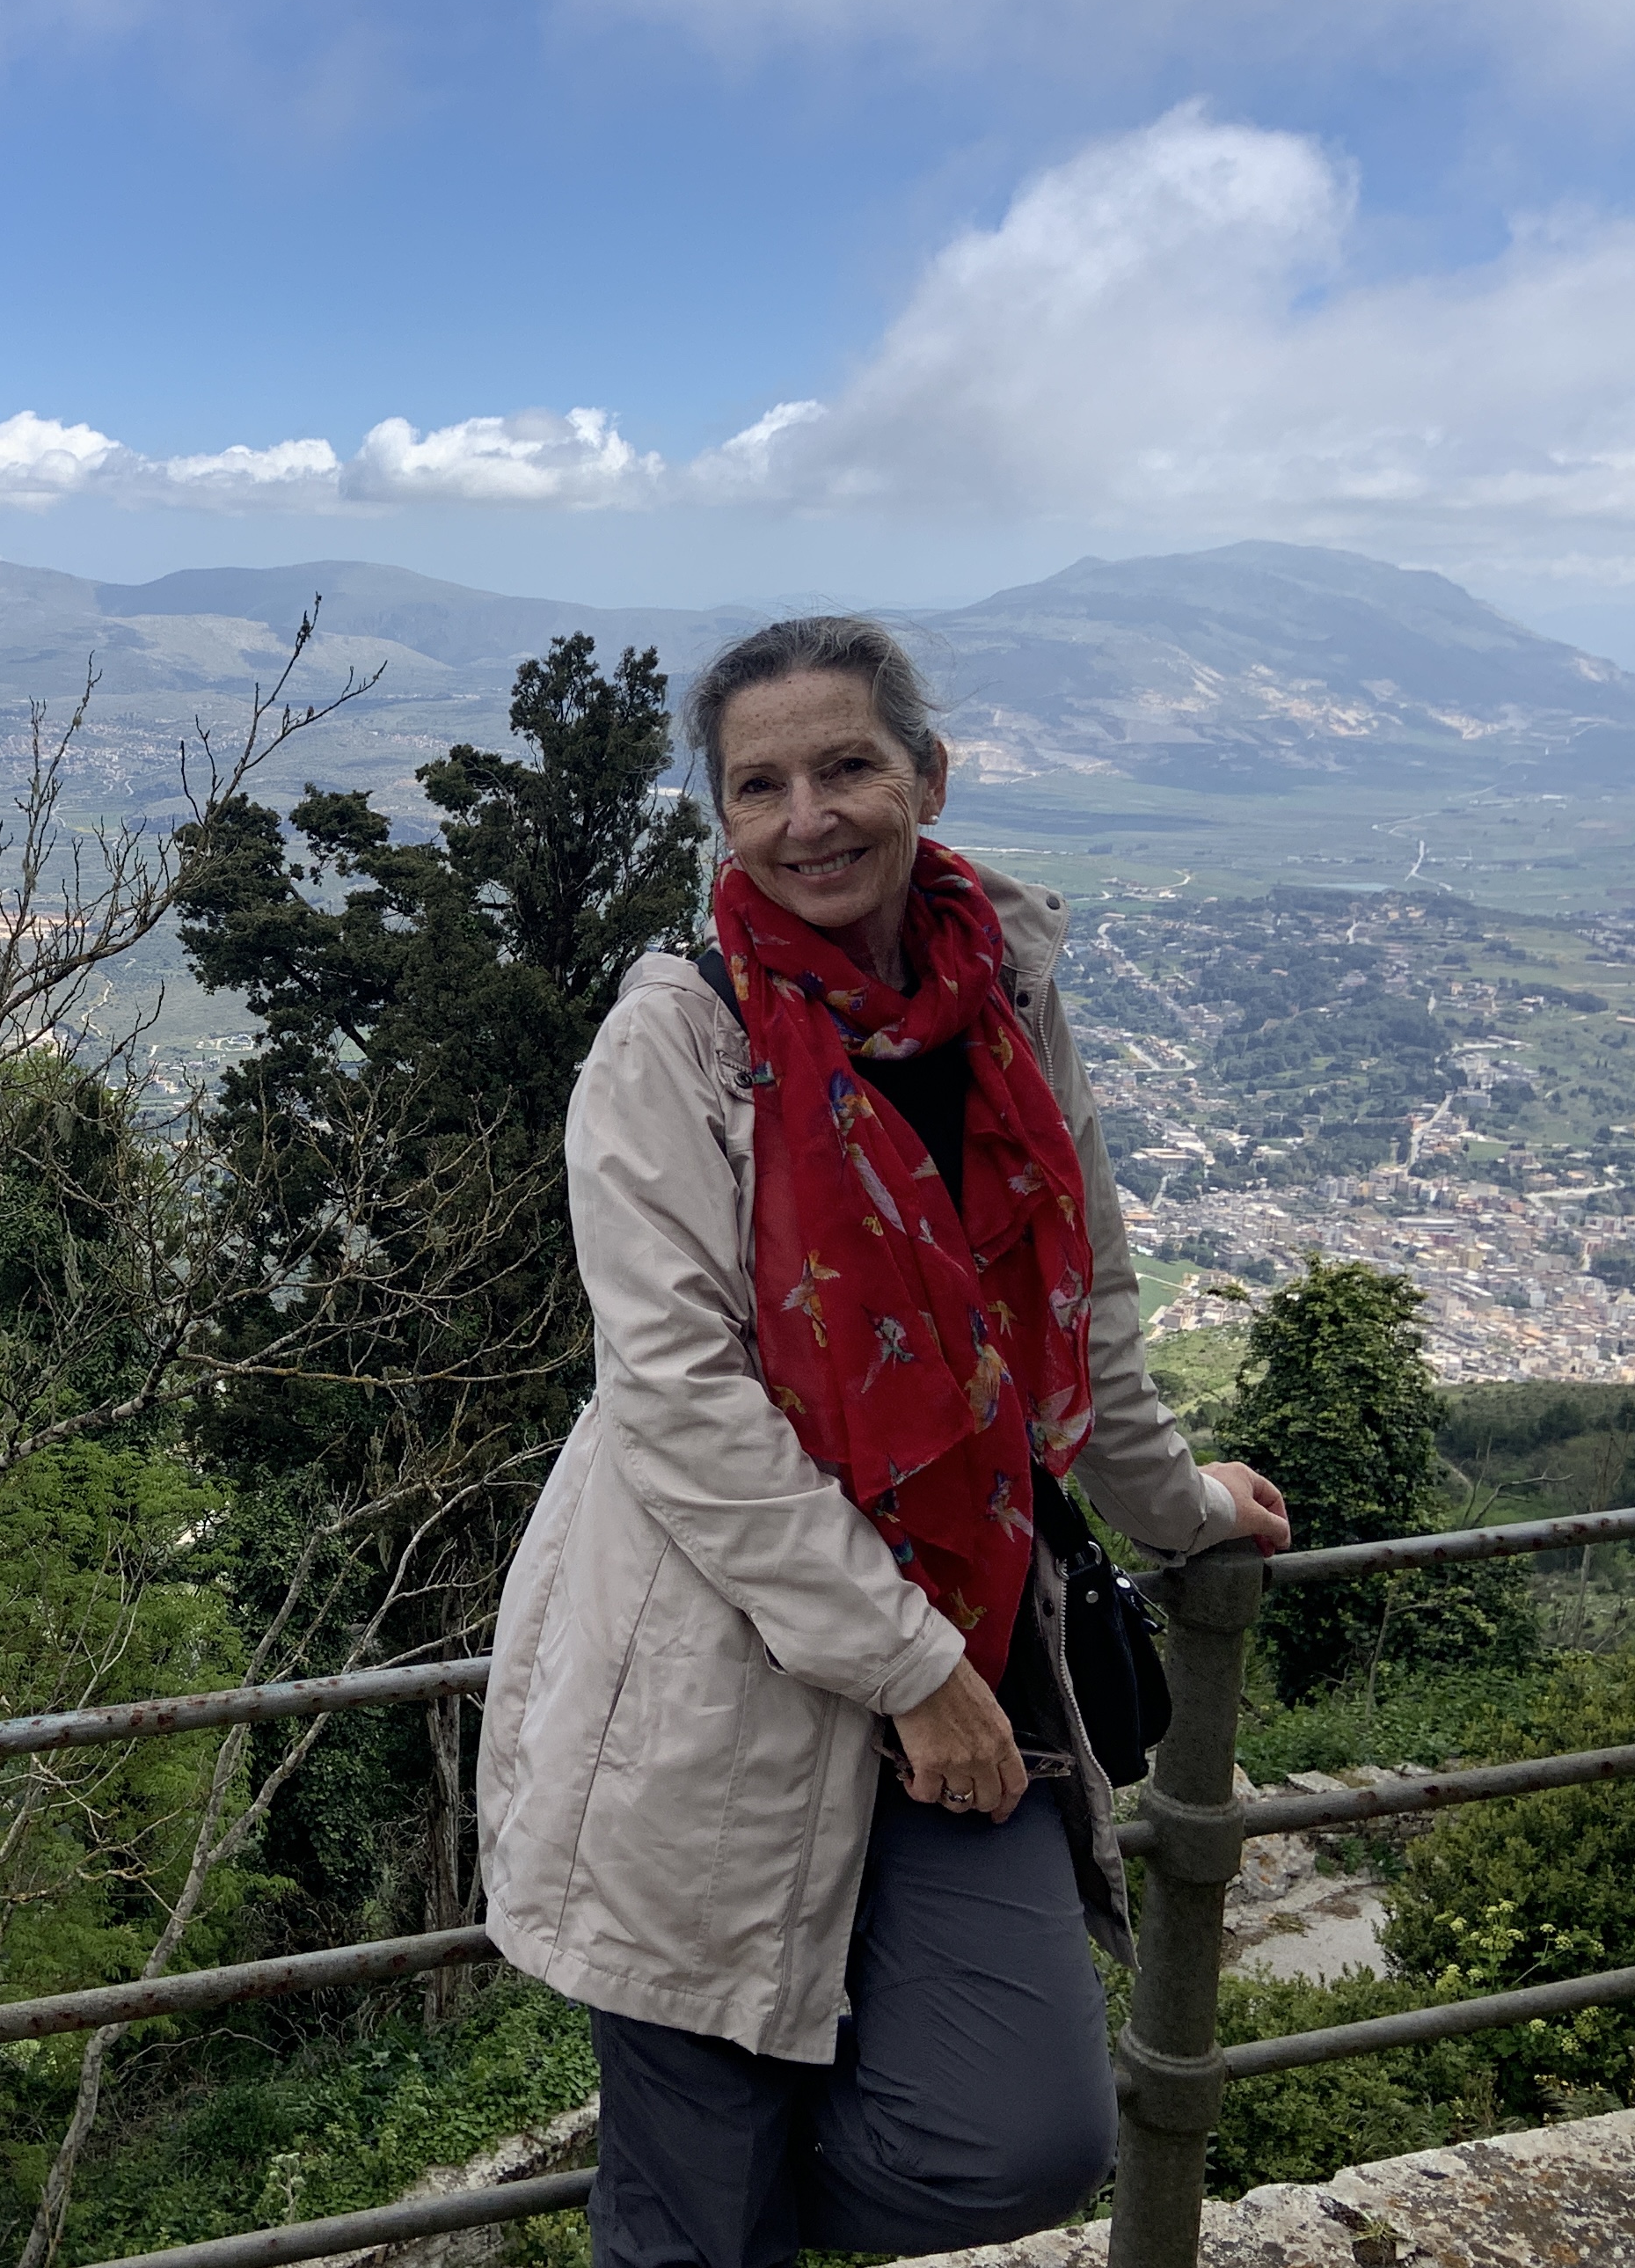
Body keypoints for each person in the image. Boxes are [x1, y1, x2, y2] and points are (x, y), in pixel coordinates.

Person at [477, 616, 1293, 2268]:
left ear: (929, 774)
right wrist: (906, 1666)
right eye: (758, 785)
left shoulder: (1006, 996)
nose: (809, 819)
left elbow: (1078, 1300)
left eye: (846, 766)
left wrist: (1176, 1505)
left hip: (977, 1631)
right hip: (712, 1653)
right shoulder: (678, 1039)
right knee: (698, 2204)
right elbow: (681, 1398)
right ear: (721, 814)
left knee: (1021, 2144)